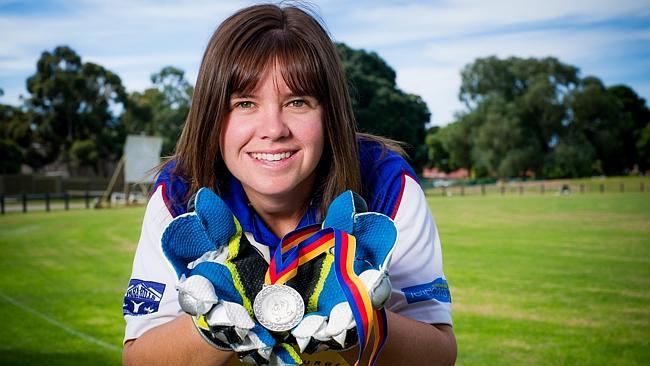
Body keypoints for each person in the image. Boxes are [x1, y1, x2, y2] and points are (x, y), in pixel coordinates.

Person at [122, 3, 456, 365]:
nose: (273, 129)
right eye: (245, 103)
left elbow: (439, 352)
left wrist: (357, 320)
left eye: (298, 102)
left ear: (330, 113)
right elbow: (138, 357)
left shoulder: (386, 186)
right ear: (212, 115)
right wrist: (212, 325)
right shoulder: (180, 194)